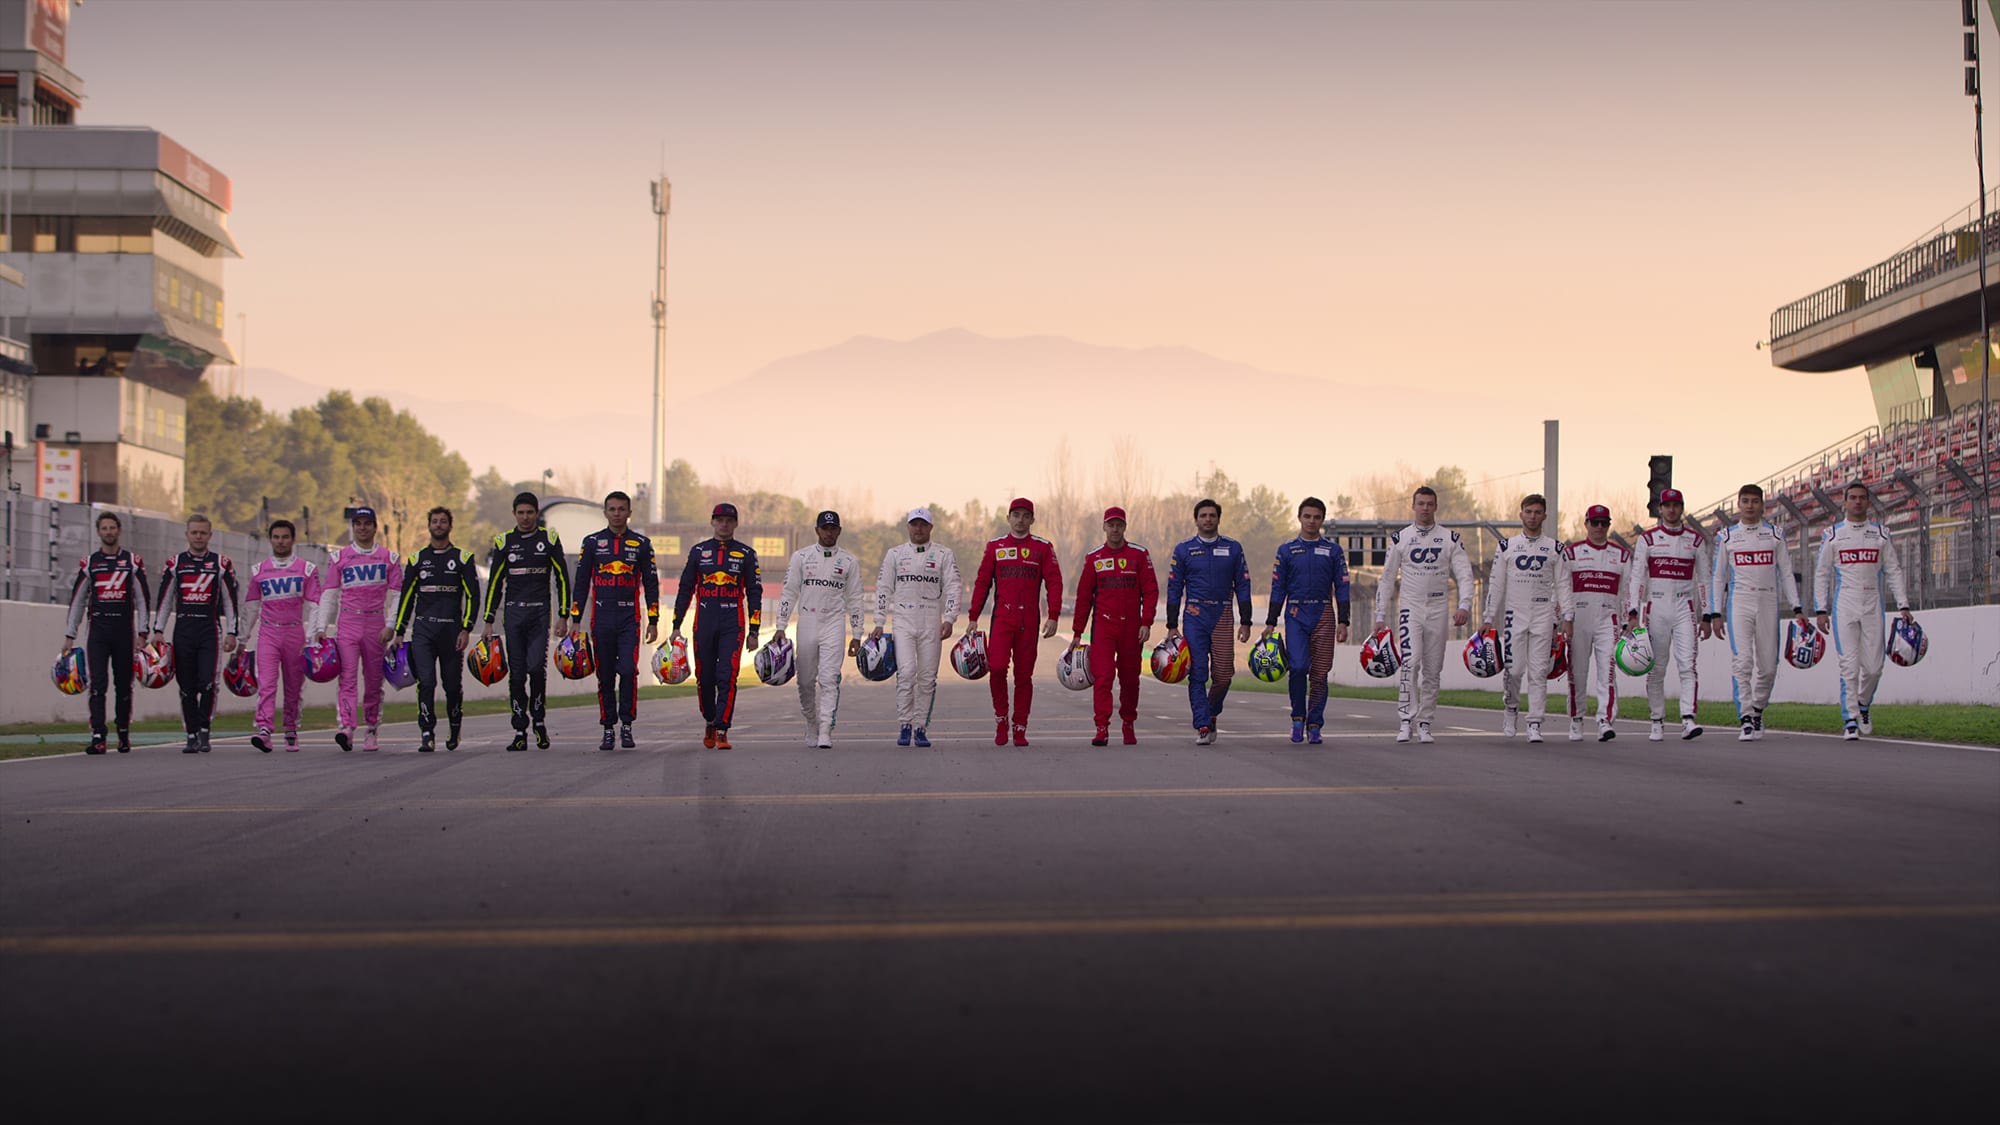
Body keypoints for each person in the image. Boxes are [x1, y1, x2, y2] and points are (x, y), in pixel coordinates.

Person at [1372, 486, 1475, 745]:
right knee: (1411, 662)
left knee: (1433, 668)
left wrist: (1464, 605)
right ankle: (1406, 720)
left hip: (1439, 607)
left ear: (1436, 506)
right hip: (1411, 607)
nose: (1425, 508)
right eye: (1421, 503)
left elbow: (1465, 574)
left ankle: (1425, 722)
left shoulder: (1450, 538)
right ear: (1413, 506)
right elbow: (1387, 579)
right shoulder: (1400, 538)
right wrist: (1380, 615)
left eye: (1430, 504)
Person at [1812, 482, 1914, 740]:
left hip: (1872, 604)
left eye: (1862, 498)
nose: (1857, 502)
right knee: (1849, 666)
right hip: (1844, 604)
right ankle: (1850, 720)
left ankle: (1863, 704)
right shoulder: (1832, 535)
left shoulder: (1881, 534)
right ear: (1844, 502)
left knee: (1873, 668)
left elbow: (1894, 570)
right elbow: (1822, 573)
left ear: (1869, 503)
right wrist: (1821, 609)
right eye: (1853, 498)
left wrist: (1903, 604)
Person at [1706, 483, 1806, 742]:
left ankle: (1758, 708)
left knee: (1769, 667)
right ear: (1739, 504)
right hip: (1739, 601)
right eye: (1745, 501)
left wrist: (1797, 607)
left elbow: (1786, 573)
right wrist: (1715, 612)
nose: (1750, 506)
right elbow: (1718, 577)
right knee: (1743, 662)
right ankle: (1746, 718)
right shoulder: (1726, 537)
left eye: (1754, 501)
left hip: (1768, 601)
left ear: (1762, 505)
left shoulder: (1775, 535)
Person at [967, 498, 1064, 747]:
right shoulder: (995, 547)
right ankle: (1001, 719)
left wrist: (1053, 615)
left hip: (1029, 619)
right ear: (1008, 518)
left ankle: (1020, 726)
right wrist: (973, 617)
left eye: (1025, 516)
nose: (1020, 520)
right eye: (1016, 515)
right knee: (997, 667)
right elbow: (982, 582)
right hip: (1003, 617)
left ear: (1032, 520)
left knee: (1024, 675)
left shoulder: (1043, 547)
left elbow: (1054, 582)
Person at [571, 491, 660, 751]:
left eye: (622, 509)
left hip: (629, 618)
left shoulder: (642, 544)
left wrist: (653, 619)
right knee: (605, 674)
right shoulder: (591, 542)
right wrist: (575, 619)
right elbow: (581, 583)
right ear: (605, 512)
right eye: (612, 509)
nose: (617, 513)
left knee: (629, 671)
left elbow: (651, 584)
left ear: (629, 512)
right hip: (601, 618)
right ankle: (608, 728)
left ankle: (627, 725)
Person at [1480, 494, 1572, 744]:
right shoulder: (1506, 547)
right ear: (1521, 514)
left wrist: (1568, 616)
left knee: (1539, 671)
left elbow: (1563, 585)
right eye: (1528, 511)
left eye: (1537, 512)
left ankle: (1534, 722)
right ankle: (1511, 708)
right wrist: (1489, 616)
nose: (1532, 516)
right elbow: (1496, 584)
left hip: (1543, 614)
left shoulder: (1555, 548)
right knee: (1514, 669)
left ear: (1544, 516)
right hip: (1515, 614)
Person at [484, 491, 571, 751]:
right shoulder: (504, 541)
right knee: (517, 674)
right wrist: (488, 620)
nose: (525, 517)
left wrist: (563, 615)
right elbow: (494, 583)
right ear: (514, 514)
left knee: (536, 669)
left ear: (536, 514)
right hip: (513, 614)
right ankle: (519, 729)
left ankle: (539, 722)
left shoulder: (549, 538)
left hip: (539, 613)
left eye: (529, 513)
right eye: (520, 513)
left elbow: (562, 578)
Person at [771, 511, 866, 749]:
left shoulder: (849, 561)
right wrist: (781, 625)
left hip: (834, 622)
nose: (829, 533)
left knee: (829, 679)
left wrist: (857, 634)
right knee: (805, 681)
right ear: (817, 530)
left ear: (839, 531)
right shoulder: (801, 557)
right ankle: (811, 722)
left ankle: (825, 729)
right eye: (825, 528)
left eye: (833, 529)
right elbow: (789, 592)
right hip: (807, 621)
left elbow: (855, 599)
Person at [1261, 497, 1351, 744]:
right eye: (1307, 516)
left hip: (1323, 612)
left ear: (1322, 520)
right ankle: (1298, 718)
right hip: (1296, 613)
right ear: (1299, 518)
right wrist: (1270, 621)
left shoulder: (1333, 551)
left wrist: (1344, 621)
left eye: (1316, 517)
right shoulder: (1286, 550)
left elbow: (1343, 587)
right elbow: (1278, 588)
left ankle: (1314, 724)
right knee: (1298, 667)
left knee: (1320, 674)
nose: (1312, 521)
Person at [390, 507, 479, 752]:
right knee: (426, 682)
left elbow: (473, 596)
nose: (438, 525)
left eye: (443, 521)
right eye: (435, 521)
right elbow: (406, 598)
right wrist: (399, 631)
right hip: (423, 631)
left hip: (452, 632)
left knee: (452, 686)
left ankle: (454, 727)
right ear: (429, 525)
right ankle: (427, 733)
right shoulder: (417, 559)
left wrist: (466, 629)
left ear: (450, 526)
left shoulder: (463, 558)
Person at [61, 512, 151, 754]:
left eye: (112, 527)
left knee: (124, 686)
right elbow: (78, 601)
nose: (109, 532)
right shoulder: (90, 563)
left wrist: (143, 633)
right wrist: (70, 635)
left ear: (119, 530)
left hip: (124, 632)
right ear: (98, 532)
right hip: (98, 632)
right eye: (104, 528)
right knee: (97, 684)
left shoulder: (132, 562)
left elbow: (142, 600)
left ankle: (123, 732)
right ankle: (98, 735)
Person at [1069, 506, 1160, 746]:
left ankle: (1128, 723)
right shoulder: (1094, 558)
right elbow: (1084, 597)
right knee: (1103, 676)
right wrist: (1077, 632)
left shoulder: (1139, 555)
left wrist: (1146, 622)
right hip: (1104, 626)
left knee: (1130, 679)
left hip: (1132, 627)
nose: (1115, 529)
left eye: (1119, 525)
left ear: (1125, 527)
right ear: (1104, 527)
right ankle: (1102, 728)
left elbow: (1151, 591)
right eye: (1111, 525)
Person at [672, 503, 761, 749]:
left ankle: (722, 729)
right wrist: (676, 625)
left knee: (728, 675)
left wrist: (754, 630)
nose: (724, 524)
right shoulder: (698, 551)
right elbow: (685, 588)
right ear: (712, 522)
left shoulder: (746, 553)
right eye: (720, 520)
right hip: (704, 621)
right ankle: (710, 720)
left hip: (733, 622)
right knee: (705, 676)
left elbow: (755, 593)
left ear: (736, 524)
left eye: (729, 520)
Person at [872, 508, 963, 747]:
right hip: (903, 618)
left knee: (927, 677)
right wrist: (879, 621)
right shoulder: (895, 554)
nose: (919, 529)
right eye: (914, 524)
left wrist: (950, 618)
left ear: (931, 527)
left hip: (931, 618)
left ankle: (920, 726)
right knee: (906, 673)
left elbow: (954, 586)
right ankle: (905, 723)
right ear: (908, 527)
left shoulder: (944, 554)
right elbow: (883, 588)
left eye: (923, 524)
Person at [1165, 499, 1254, 746]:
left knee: (1223, 675)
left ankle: (1212, 712)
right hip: (1194, 614)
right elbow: (1174, 588)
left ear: (1218, 519)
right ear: (1196, 520)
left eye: (1212, 515)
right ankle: (1202, 725)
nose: (1207, 519)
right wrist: (1171, 625)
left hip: (1223, 613)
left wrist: (1246, 621)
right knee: (1198, 673)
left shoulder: (1233, 548)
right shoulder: (1183, 549)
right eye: (1203, 515)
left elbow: (1243, 585)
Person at [151, 514, 241, 754]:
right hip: (183, 630)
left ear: (210, 535)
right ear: (187, 535)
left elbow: (230, 602)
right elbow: (165, 600)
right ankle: (190, 733)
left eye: (203, 533)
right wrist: (158, 630)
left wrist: (232, 632)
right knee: (186, 686)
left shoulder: (221, 564)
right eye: (194, 533)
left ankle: (204, 729)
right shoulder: (175, 564)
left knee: (208, 683)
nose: (198, 537)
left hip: (209, 630)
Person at [1625, 488, 1710, 742]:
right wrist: (1633, 612)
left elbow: (1704, 580)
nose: (1672, 510)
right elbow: (1637, 578)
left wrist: (1707, 614)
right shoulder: (1648, 539)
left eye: (1676, 505)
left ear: (1682, 508)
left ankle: (1688, 719)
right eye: (1667, 505)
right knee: (1657, 667)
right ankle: (1656, 720)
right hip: (1657, 607)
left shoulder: (1695, 540)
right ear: (1660, 509)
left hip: (1685, 607)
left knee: (1688, 665)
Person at [316, 506, 402, 752]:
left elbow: (398, 595)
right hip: (348, 623)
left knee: (374, 680)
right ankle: (346, 727)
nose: (362, 528)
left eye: (367, 523)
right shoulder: (339, 557)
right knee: (348, 678)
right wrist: (321, 626)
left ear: (375, 527)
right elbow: (329, 594)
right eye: (358, 523)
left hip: (376, 625)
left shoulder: (389, 558)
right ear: (353, 527)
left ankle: (372, 728)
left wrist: (391, 625)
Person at [243, 519, 322, 753]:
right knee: (266, 683)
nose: (280, 541)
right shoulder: (258, 570)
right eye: (276, 537)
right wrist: (242, 638)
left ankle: (291, 728)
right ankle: (264, 729)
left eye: (285, 537)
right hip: (268, 633)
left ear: (293, 539)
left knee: (293, 685)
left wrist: (312, 637)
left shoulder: (307, 569)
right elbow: (251, 607)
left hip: (294, 633)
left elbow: (315, 604)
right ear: (270, 539)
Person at [1563, 505, 1629, 744]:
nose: (1599, 527)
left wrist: (1628, 620)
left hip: (1607, 619)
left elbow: (1627, 591)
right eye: (1595, 522)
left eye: (1604, 523)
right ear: (1586, 524)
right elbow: (1562, 589)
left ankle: (1605, 720)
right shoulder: (1571, 553)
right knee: (1577, 673)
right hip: (1578, 620)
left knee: (1607, 672)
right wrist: (1563, 620)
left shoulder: (1621, 555)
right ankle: (1576, 718)